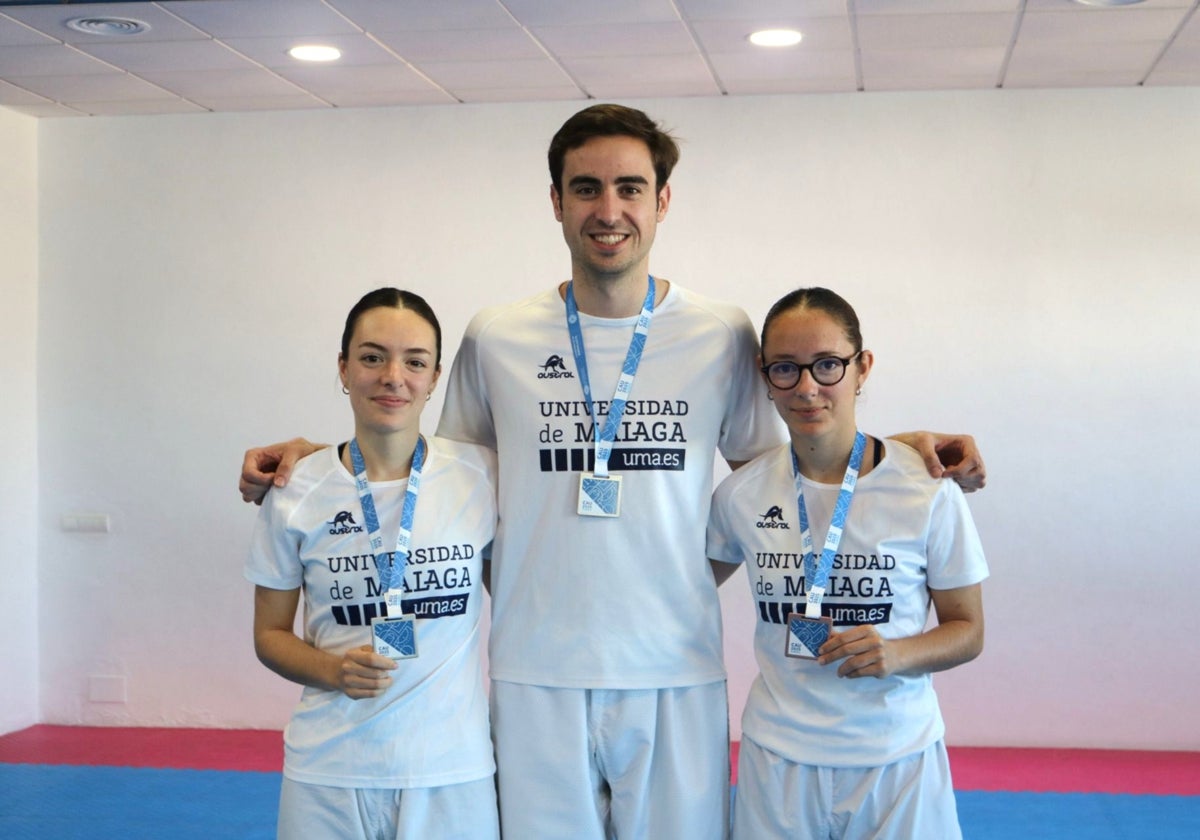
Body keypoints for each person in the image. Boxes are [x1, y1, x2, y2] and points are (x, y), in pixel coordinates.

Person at [240, 105, 987, 839]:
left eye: (630, 187)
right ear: (556, 202)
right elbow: (433, 476)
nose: (609, 209)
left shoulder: (720, 331)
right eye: (587, 187)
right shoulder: (497, 336)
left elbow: (787, 473)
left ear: (661, 201)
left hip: (674, 665)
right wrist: (315, 462)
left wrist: (892, 450)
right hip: (537, 666)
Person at [706, 287, 987, 840]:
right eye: (786, 368)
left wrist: (898, 652)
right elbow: (679, 587)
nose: (808, 387)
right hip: (779, 760)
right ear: (766, 377)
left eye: (828, 365)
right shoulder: (740, 495)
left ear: (863, 368)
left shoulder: (926, 488)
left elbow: (968, 630)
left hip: (897, 758)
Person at [245, 288, 499, 840]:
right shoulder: (295, 489)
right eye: (371, 356)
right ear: (343, 367)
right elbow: (269, 634)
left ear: (435, 378)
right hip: (329, 772)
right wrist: (332, 671)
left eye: (414, 362)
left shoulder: (481, 475)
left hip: (450, 771)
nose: (393, 376)